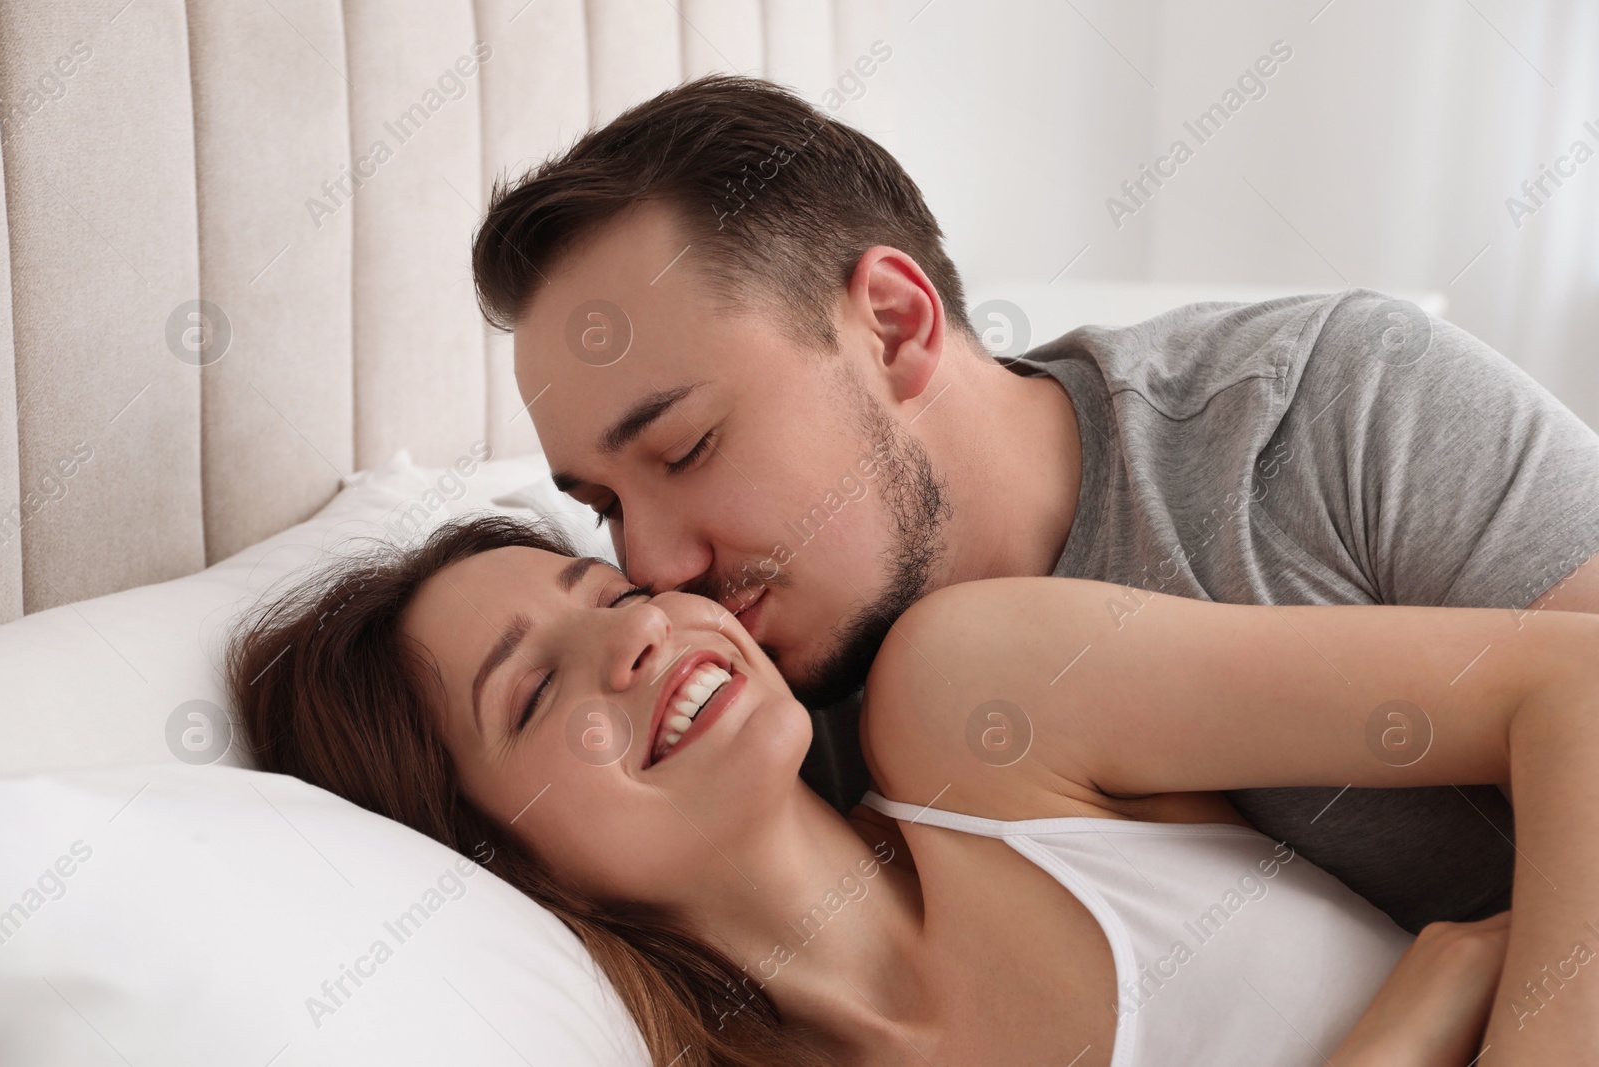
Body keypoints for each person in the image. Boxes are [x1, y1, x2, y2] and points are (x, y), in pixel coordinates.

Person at [469, 74, 1599, 934]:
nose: (655, 565)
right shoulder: (749, 738)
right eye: (604, 505)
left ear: (895, 328)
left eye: (687, 445)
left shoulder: (1326, 407)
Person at [228, 513, 1599, 1066]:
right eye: (532, 693)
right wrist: (1416, 1006)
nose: (641, 631)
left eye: (617, 589)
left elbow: (1576, 684)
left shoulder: (975, 705)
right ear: (501, 866)